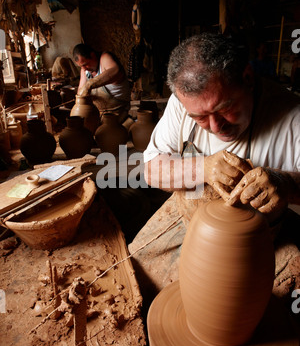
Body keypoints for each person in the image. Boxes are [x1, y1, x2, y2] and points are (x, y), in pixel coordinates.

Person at [128, 32, 300, 308]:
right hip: (186, 218)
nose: (216, 126)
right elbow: (152, 170)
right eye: (200, 118)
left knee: (281, 308)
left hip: (263, 237)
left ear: (247, 78)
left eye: (224, 108)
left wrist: (286, 183)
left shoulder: (292, 115)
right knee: (132, 278)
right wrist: (201, 168)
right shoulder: (181, 105)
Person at [73, 43, 131, 123]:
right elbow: (81, 93)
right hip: (98, 115)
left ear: (92, 55)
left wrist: (89, 84)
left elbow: (115, 70)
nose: (84, 69)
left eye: (85, 64)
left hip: (118, 114)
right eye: (81, 66)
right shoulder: (85, 69)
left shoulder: (104, 58)